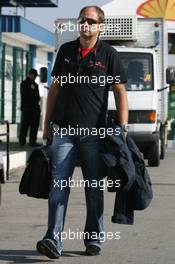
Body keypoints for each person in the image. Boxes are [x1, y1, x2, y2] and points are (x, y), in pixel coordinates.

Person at [36, 5, 128, 259]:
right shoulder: (66, 50)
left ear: (100, 26)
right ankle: (53, 239)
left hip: (94, 134)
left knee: (92, 187)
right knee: (58, 186)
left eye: (90, 21)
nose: (84, 24)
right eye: (82, 20)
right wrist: (46, 125)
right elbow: (54, 90)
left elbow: (120, 91)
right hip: (64, 131)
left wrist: (122, 127)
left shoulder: (108, 54)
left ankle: (94, 237)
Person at [19, 68, 41, 146]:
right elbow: (26, 95)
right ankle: (22, 140)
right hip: (27, 108)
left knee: (34, 125)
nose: (35, 77)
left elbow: (38, 97)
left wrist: (35, 99)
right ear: (30, 75)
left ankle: (32, 141)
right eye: (34, 75)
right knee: (25, 124)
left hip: (34, 108)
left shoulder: (35, 85)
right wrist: (34, 99)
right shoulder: (24, 84)